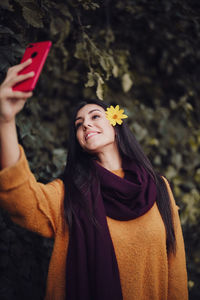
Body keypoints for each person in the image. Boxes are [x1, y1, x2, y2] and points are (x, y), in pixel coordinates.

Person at [0, 59, 188, 300]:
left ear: (116, 125)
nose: (86, 123)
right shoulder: (70, 193)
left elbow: (176, 270)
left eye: (95, 116)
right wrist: (5, 121)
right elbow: (21, 200)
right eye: (79, 124)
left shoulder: (158, 187)